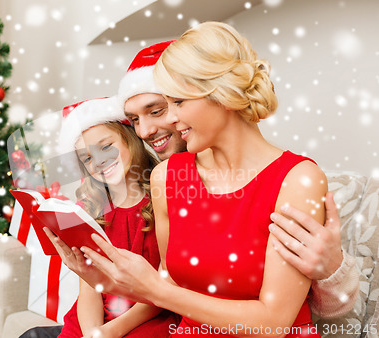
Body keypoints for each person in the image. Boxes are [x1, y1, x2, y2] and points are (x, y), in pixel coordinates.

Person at [73, 21, 341, 336]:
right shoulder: (166, 178)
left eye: (179, 102)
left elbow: (274, 322)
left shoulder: (297, 179)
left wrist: (156, 290)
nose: (171, 118)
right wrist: (102, 276)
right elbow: (171, 279)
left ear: (221, 94)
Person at [31, 97, 179, 338]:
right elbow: (90, 290)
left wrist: (110, 331)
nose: (98, 161)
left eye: (106, 146)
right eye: (87, 158)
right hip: (96, 319)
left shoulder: (163, 198)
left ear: (129, 139)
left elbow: (164, 289)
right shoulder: (89, 210)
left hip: (148, 316)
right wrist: (92, 332)